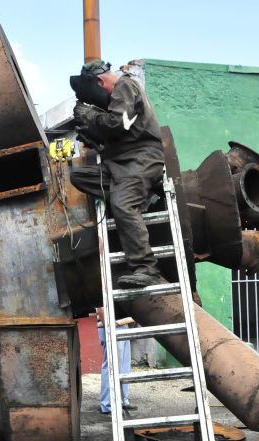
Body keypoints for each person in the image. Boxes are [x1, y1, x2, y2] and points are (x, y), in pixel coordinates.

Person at [69, 59, 167, 288]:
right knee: (79, 176)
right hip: (120, 164)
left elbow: (116, 124)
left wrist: (90, 116)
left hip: (141, 159)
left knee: (122, 204)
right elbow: (118, 130)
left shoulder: (125, 86)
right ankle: (141, 194)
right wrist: (92, 133)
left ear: (101, 81)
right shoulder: (121, 95)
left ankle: (146, 268)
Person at [96, 307, 136, 414]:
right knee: (111, 366)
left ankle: (123, 401)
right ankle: (107, 404)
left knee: (124, 367)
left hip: (122, 324)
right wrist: (108, 327)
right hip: (111, 325)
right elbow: (100, 308)